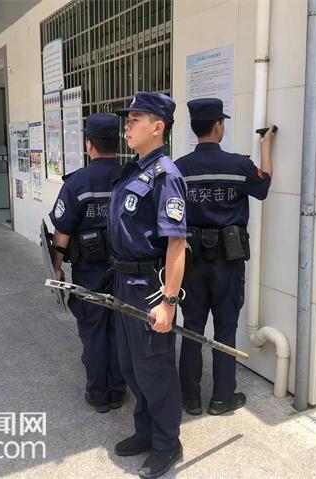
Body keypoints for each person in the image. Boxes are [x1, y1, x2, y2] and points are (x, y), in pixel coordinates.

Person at [175, 98, 276, 416]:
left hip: (190, 261)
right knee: (225, 328)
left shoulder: (179, 168)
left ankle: (190, 398)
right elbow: (263, 186)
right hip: (228, 262)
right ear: (218, 126)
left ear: (195, 128)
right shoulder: (238, 165)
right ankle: (221, 398)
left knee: (191, 327)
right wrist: (266, 146)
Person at [109, 92, 187, 478]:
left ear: (158, 128)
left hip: (148, 287)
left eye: (135, 119)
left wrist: (168, 302)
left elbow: (177, 244)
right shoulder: (134, 170)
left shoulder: (165, 175)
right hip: (123, 281)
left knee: (155, 369)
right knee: (131, 366)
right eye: (127, 120)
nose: (127, 126)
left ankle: (167, 443)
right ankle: (145, 432)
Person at [48, 113, 127, 413]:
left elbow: (62, 233)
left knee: (93, 331)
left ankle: (98, 394)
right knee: (118, 329)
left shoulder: (77, 183)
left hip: (89, 272)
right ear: (118, 143)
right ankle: (118, 391)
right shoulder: (131, 177)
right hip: (124, 270)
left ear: (89, 145)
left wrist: (57, 267)